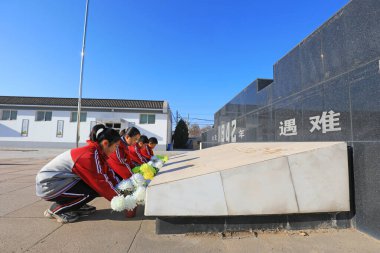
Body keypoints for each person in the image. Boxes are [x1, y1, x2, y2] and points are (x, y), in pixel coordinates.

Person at [35, 124, 121, 223]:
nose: (116, 150)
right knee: (93, 189)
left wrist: (123, 191)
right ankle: (57, 210)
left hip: (59, 182)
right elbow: (100, 183)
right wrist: (121, 201)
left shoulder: (97, 153)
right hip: (48, 185)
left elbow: (107, 175)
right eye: (116, 146)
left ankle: (76, 205)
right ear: (106, 143)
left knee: (93, 187)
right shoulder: (88, 155)